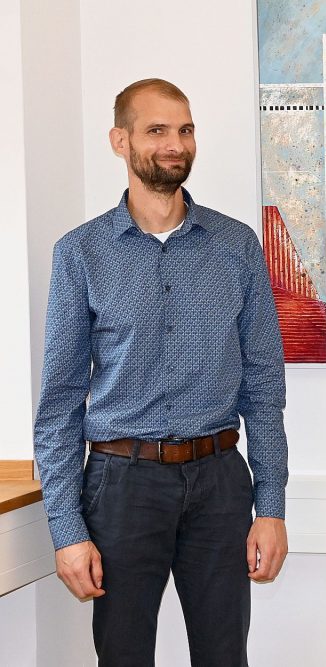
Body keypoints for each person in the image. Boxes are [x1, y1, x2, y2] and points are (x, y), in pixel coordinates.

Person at [33, 78, 289, 667]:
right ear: (120, 141)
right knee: (123, 657)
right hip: (121, 485)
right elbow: (60, 402)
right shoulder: (81, 254)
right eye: (157, 131)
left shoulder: (236, 245)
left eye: (185, 130)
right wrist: (67, 531)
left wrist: (270, 508)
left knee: (224, 656)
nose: (176, 144)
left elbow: (264, 388)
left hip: (221, 483)